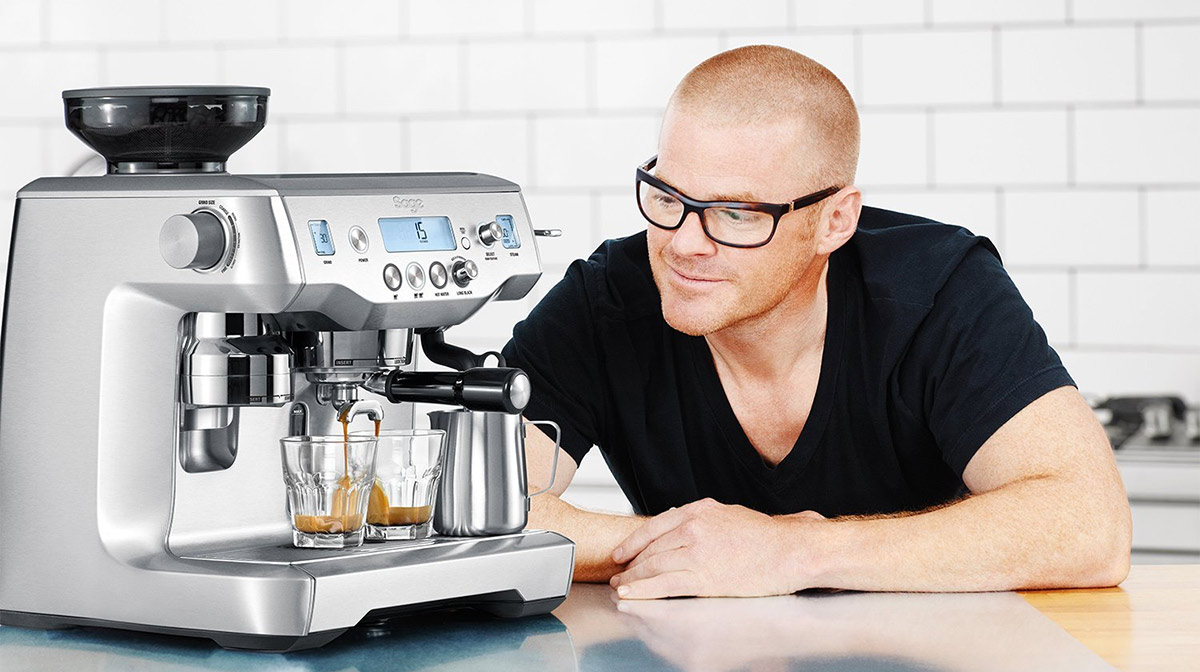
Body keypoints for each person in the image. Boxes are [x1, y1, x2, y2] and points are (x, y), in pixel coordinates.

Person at [502, 45, 1131, 599]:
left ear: (835, 221)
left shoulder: (938, 289)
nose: (683, 243)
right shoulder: (606, 300)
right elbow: (467, 513)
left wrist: (788, 552)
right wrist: (691, 549)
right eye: (667, 197)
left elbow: (1089, 525)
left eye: (736, 213)